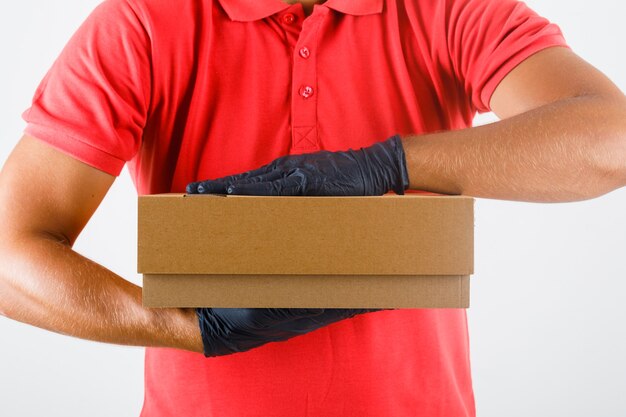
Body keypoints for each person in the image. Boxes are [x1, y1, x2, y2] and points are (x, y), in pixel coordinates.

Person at [0, 0, 624, 415]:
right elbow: (9, 255)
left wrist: (387, 164)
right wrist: (190, 331)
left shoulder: (445, 9)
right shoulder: (144, 21)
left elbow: (610, 139)